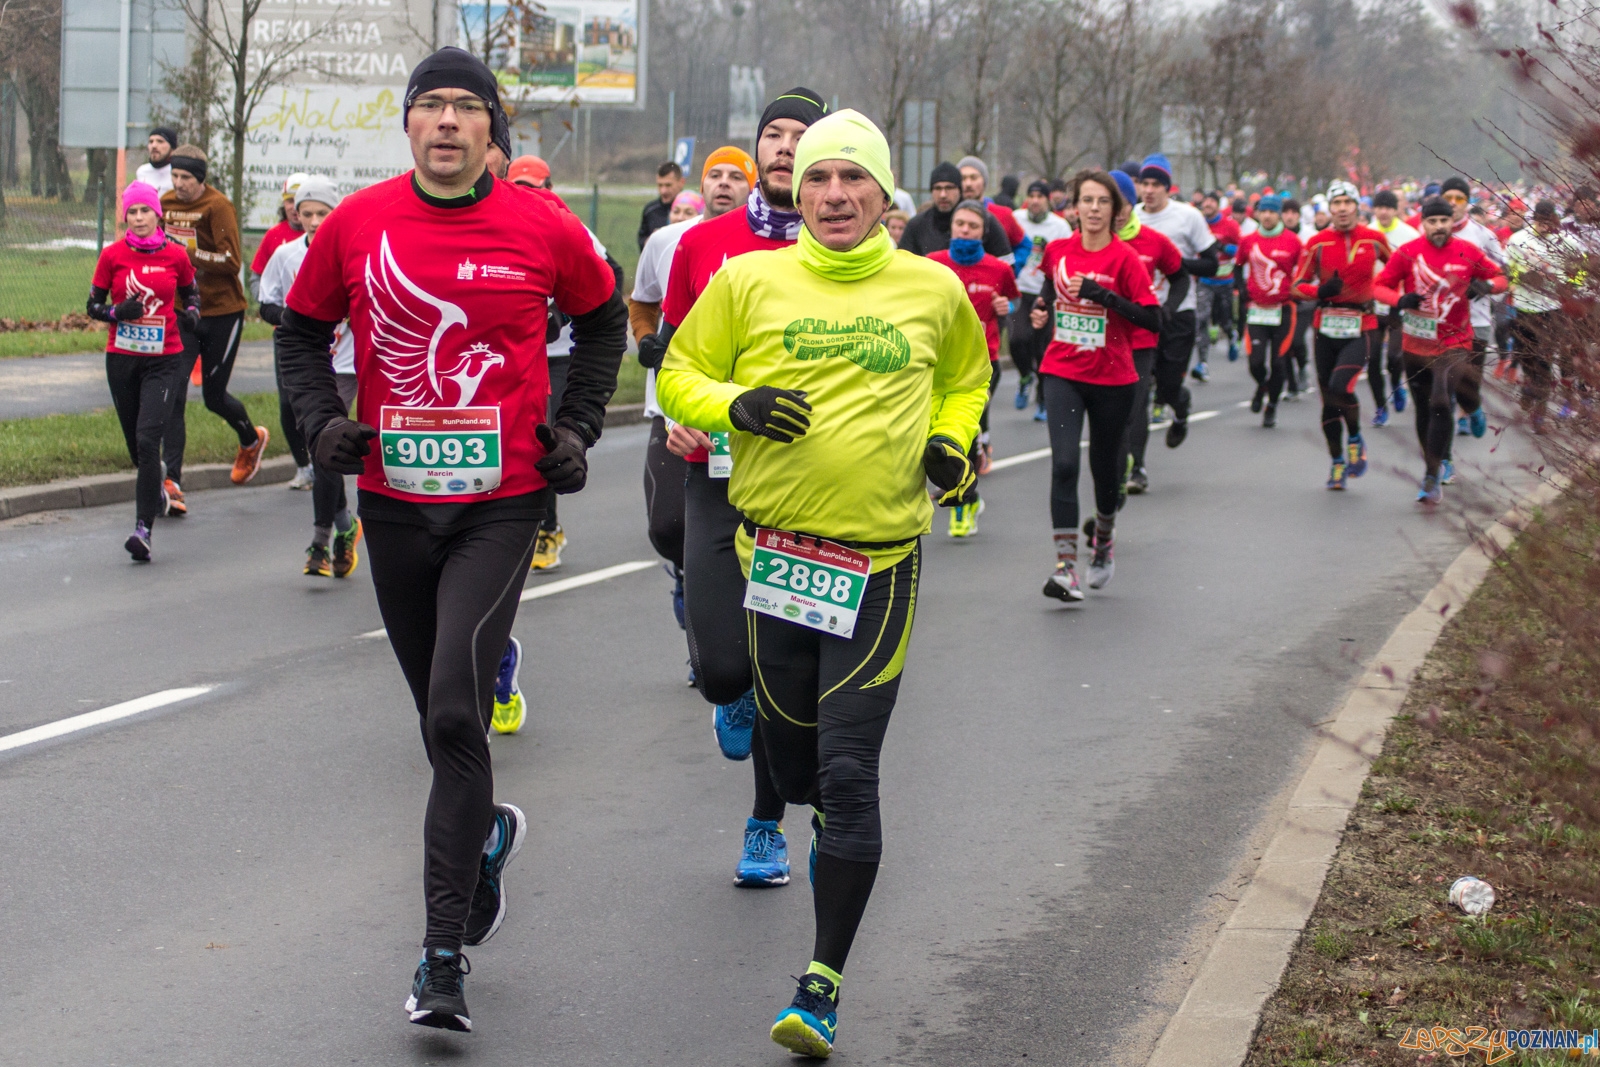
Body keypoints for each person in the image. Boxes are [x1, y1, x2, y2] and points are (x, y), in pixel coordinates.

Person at [278, 46, 627, 1033]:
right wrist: (321, 422)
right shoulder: (356, 222)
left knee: (451, 709)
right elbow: (299, 333)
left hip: (501, 502)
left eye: (464, 107)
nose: (444, 121)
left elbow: (605, 322)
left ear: (489, 129)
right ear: (406, 124)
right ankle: (485, 836)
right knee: (447, 733)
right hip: (394, 503)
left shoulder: (541, 224)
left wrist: (577, 427)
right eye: (427, 104)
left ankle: (441, 958)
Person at [657, 107, 990, 1059]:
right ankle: (806, 820)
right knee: (797, 770)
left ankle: (822, 982)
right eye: (817, 178)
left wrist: (949, 442)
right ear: (796, 190)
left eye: (853, 180)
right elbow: (679, 375)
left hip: (879, 565)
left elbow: (966, 380)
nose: (834, 195)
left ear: (884, 196)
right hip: (778, 560)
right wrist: (738, 403)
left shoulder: (933, 288)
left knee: (848, 774)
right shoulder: (748, 279)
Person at [654, 94, 832, 888]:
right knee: (727, 670)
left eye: (802, 135)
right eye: (773, 134)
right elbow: (677, 353)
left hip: (807, 487)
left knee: (784, 669)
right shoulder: (703, 243)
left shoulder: (846, 248)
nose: (786, 146)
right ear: (755, 149)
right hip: (719, 472)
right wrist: (680, 417)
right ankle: (732, 692)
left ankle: (767, 823)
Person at [631, 146, 755, 699]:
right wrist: (647, 342)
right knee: (667, 526)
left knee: (746, 529)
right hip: (674, 408)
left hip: (745, 416)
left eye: (736, 176)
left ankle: (728, 642)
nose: (724, 184)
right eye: (714, 175)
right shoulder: (669, 241)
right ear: (700, 186)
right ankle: (688, 576)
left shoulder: (774, 246)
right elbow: (642, 304)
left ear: (752, 187)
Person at [1029, 170, 1160, 601]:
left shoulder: (1125, 259)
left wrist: (1103, 296)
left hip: (1113, 379)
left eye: (1103, 201)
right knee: (1065, 465)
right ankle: (1066, 568)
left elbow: (1153, 319)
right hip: (1063, 370)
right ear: (1075, 207)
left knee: (1105, 471)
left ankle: (1103, 538)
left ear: (1116, 211)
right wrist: (1041, 309)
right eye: (1087, 200)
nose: (1094, 208)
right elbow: (1049, 288)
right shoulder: (1059, 250)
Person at [257, 176, 363, 578]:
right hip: (305, 361)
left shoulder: (353, 250)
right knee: (308, 437)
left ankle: (320, 542)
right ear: (295, 215)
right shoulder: (285, 255)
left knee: (327, 446)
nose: (315, 221)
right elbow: (266, 303)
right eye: (307, 213)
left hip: (345, 365)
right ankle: (346, 524)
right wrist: (299, 319)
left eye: (323, 213)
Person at [87, 182, 198, 561]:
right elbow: (92, 306)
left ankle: (143, 531)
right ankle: (158, 483)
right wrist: (116, 312)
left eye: (144, 211)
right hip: (122, 360)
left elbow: (191, 292)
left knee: (149, 441)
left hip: (164, 359)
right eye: (132, 212)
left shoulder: (176, 254)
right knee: (138, 451)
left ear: (157, 215)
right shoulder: (111, 255)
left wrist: (193, 313)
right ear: (125, 217)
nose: (138, 218)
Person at [1374, 196, 1506, 502]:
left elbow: (1501, 277)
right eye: (1432, 221)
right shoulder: (1408, 252)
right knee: (1424, 408)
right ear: (1423, 223)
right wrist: (1399, 300)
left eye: (1443, 221)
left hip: (1454, 341)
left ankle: (1434, 472)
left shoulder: (1467, 250)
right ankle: (1434, 466)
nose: (1438, 227)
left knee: (1441, 401)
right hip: (1416, 343)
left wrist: (1487, 286)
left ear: (1451, 221)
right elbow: (1379, 286)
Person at [160, 145, 269, 509]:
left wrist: (186, 253)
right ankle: (172, 481)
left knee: (213, 396)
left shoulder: (217, 206)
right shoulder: (165, 204)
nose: (179, 184)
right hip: (183, 311)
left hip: (223, 312)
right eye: (175, 176)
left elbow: (231, 261)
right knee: (174, 391)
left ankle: (250, 439)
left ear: (200, 179)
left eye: (186, 178)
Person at [1290, 180, 1389, 490]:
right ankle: (1337, 462)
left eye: (1348, 202)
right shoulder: (1317, 243)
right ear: (1329, 209)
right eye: (1337, 203)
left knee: (1339, 385)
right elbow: (1296, 286)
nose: (1343, 209)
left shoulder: (1374, 239)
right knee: (1328, 401)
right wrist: (1319, 291)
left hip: (1362, 324)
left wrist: (1397, 300)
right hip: (1326, 325)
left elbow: (1400, 269)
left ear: (1357, 206)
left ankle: (1355, 437)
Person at [929, 199, 1018, 530]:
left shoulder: (999, 269)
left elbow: (1013, 301)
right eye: (960, 224)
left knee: (962, 435)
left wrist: (1006, 307)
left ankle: (964, 504)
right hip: (939, 363)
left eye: (972, 226)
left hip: (983, 364)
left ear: (983, 233)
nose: (965, 230)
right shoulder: (932, 264)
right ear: (952, 227)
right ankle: (964, 490)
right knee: (933, 434)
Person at [1134, 153, 1220, 456]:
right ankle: (1136, 463)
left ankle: (1180, 408)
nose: (1149, 190)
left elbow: (1212, 264)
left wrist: (1176, 265)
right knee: (1138, 389)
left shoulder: (1188, 216)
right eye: (1145, 183)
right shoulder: (1131, 217)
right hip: (1142, 313)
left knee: (1168, 385)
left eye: (1156, 184)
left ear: (1168, 187)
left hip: (1179, 311)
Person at [1109, 168, 1186, 496]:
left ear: (1132, 204)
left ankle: (1136, 466)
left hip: (1140, 338)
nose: (1115, 211)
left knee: (1135, 403)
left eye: (1122, 204)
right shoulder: (1083, 241)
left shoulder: (1154, 241)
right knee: (1108, 408)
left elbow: (1181, 276)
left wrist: (1167, 308)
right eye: (1108, 203)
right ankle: (1113, 461)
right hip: (1100, 339)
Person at [1506, 199, 1583, 431]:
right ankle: (1528, 387)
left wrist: (1568, 285)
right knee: (1526, 357)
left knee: (1544, 359)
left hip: (1552, 309)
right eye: (1540, 223)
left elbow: (1581, 270)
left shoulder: (1567, 241)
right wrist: (1522, 276)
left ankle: (1539, 414)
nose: (1545, 228)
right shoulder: (1518, 239)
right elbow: (1507, 268)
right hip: (1523, 307)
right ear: (1534, 220)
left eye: (1549, 223)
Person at [1439, 176, 1506, 442]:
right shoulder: (1431, 231)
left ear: (1467, 202)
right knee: (1446, 378)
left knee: (1470, 377)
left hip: (1476, 318)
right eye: (1448, 198)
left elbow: (1504, 272)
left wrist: (1485, 285)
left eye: (1459, 198)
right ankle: (1454, 418)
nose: (1453, 203)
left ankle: (1470, 410)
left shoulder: (1482, 234)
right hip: (1442, 320)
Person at [1233, 194, 1302, 427]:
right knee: (1255, 362)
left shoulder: (1293, 241)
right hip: (1257, 310)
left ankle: (1271, 406)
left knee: (1279, 363)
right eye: (1263, 211)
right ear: (1258, 213)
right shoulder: (1248, 240)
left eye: (1272, 212)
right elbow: (1237, 266)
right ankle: (1263, 386)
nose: (1267, 216)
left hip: (1283, 310)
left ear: (1279, 214)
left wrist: (1299, 290)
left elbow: (1304, 270)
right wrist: (1241, 289)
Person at [1011, 179, 1074, 413]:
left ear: (1048, 200)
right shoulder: (1016, 219)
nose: (1035, 201)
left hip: (1046, 293)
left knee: (1042, 348)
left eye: (1040, 197)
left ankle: (1042, 399)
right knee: (1017, 340)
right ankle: (1025, 376)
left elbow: (1068, 258)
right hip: (1020, 289)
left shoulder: (1059, 226)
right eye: (1032, 196)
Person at [1367, 189, 1419, 425]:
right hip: (1372, 303)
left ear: (1396, 209)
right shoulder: (1367, 233)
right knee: (1372, 359)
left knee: (1394, 357)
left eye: (1388, 207)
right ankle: (1380, 407)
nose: (1384, 212)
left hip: (1399, 303)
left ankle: (1397, 384)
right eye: (1379, 207)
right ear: (1374, 209)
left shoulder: (1409, 234)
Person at [898, 161, 1017, 258]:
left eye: (949, 188)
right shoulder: (916, 225)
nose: (943, 195)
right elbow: (902, 264)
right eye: (938, 188)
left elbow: (1006, 265)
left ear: (960, 190)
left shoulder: (983, 220)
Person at [1194, 190, 1242, 379]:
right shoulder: (1198, 223)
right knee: (1202, 319)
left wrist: (1222, 247)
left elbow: (1241, 250)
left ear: (1217, 205)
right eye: (1205, 202)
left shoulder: (1230, 225)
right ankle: (1202, 363)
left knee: (1225, 320)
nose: (1207, 205)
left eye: (1211, 202)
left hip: (1225, 281)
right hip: (1204, 281)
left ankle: (1232, 336)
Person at [957, 155, 1027, 257]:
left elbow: (1025, 245)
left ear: (984, 181)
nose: (968, 183)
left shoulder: (1003, 214)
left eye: (973, 178)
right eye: (963, 178)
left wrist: (1011, 265)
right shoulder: (949, 215)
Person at [639, 160, 684, 248]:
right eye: (660, 185)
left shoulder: (695, 208)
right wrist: (650, 241)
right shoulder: (650, 210)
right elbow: (642, 239)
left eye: (668, 185)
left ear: (681, 182)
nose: (663, 191)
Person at [134, 126, 178, 195]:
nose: (154, 146)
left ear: (172, 147)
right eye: (151, 142)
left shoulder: (178, 172)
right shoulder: (142, 171)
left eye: (160, 141)